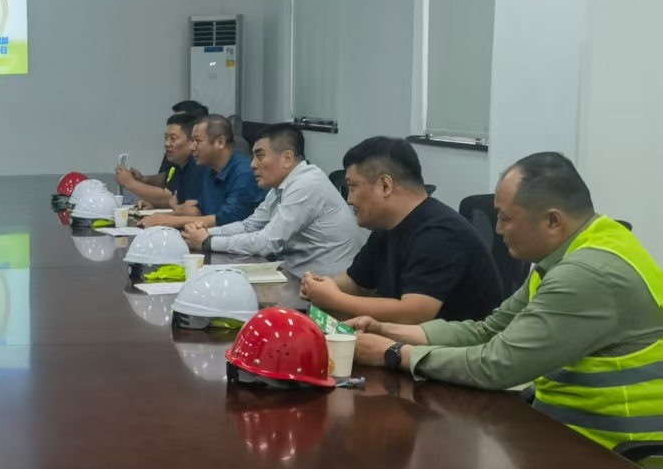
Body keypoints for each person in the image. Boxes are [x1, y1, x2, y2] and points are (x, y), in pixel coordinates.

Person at [352, 152, 663, 450]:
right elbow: (489, 330)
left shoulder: (585, 274)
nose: (498, 229)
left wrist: (393, 354)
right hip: (567, 432)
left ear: (553, 221)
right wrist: (387, 330)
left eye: (505, 218)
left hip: (616, 454)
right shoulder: (572, 253)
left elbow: (497, 365)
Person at [301, 137, 501, 324]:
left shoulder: (441, 234)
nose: (349, 200)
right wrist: (320, 287)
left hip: (452, 347)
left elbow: (414, 313)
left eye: (352, 187)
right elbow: (356, 283)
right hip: (406, 340)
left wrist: (335, 299)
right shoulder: (387, 227)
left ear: (385, 186)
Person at [182, 124, 358, 289]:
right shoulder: (281, 186)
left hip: (327, 288)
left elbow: (266, 243)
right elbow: (250, 226)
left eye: (260, 155)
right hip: (297, 278)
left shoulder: (307, 185)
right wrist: (205, 232)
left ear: (287, 159)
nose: (253, 164)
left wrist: (208, 241)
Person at [141, 115, 264, 229]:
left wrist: (171, 220)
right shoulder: (210, 170)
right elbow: (200, 210)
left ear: (220, 142)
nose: (192, 147)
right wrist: (160, 216)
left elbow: (227, 220)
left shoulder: (244, 173)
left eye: (198, 141)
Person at [115, 113, 204, 208]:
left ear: (192, 141)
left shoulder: (199, 165)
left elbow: (168, 197)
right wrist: (155, 204)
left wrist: (129, 182)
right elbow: (175, 200)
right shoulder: (179, 165)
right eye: (166, 138)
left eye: (173, 139)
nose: (167, 143)